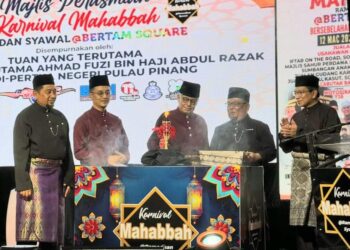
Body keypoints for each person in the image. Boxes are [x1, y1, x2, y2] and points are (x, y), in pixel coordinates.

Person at [279, 75, 341, 250]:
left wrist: (300, 131)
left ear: (314, 93)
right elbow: (286, 148)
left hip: (321, 169)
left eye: (301, 92)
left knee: (321, 219)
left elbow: (331, 140)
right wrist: (284, 135)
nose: (297, 96)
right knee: (301, 222)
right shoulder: (296, 116)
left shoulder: (329, 113)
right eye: (295, 92)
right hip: (300, 171)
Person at [13, 74, 74, 249]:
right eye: (48, 92)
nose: (53, 95)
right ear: (35, 93)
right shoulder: (24, 117)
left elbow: (67, 150)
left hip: (58, 176)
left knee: (54, 231)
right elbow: (20, 152)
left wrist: (69, 177)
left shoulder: (61, 117)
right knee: (34, 230)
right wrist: (23, 183)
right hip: (36, 176)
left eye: (54, 91)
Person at [143, 81, 209, 165]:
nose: (189, 104)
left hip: (196, 168)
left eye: (193, 101)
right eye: (185, 99)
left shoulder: (200, 121)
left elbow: (206, 148)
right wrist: (168, 158)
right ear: (178, 97)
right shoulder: (167, 117)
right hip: (172, 167)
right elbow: (153, 143)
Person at [210, 87, 276, 166]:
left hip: (252, 174)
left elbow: (271, 152)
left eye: (236, 104)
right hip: (223, 175)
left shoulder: (260, 127)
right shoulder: (219, 130)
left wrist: (257, 156)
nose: (231, 107)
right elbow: (211, 155)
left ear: (247, 107)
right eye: (229, 104)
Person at [74, 75, 129, 166]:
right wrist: (105, 159)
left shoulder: (116, 121)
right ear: (91, 95)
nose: (105, 96)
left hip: (117, 171)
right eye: (100, 93)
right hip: (92, 174)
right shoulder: (83, 121)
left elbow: (124, 146)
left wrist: (124, 157)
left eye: (107, 93)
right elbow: (79, 152)